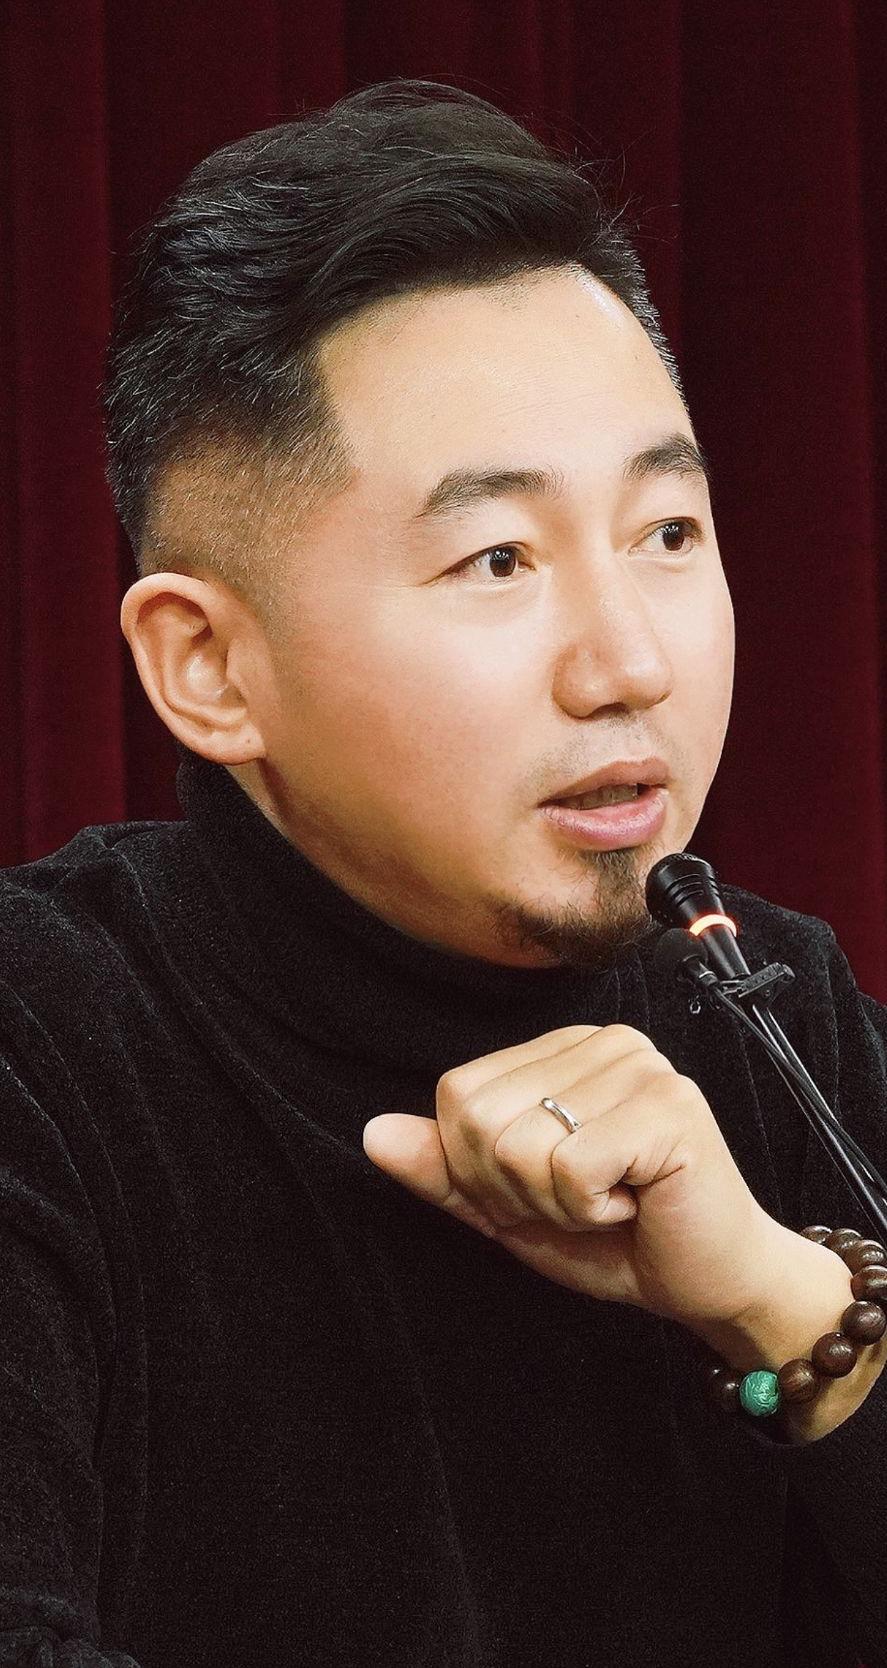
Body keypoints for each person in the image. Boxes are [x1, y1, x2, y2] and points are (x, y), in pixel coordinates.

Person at [1, 77, 885, 1668]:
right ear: (208, 666)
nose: (629, 664)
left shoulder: (775, 1009)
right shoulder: (42, 1046)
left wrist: (785, 1306)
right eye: (498, 560)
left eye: (668, 532)